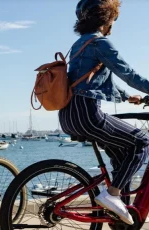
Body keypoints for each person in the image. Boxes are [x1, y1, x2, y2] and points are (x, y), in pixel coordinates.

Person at [58, 0, 149, 225]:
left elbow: (97, 81)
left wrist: (129, 97)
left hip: (69, 115)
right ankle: (112, 194)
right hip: (87, 113)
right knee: (142, 142)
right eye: (114, 19)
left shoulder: (80, 44)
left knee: (122, 158)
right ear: (106, 18)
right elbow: (129, 74)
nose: (113, 25)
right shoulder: (101, 44)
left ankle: (118, 214)